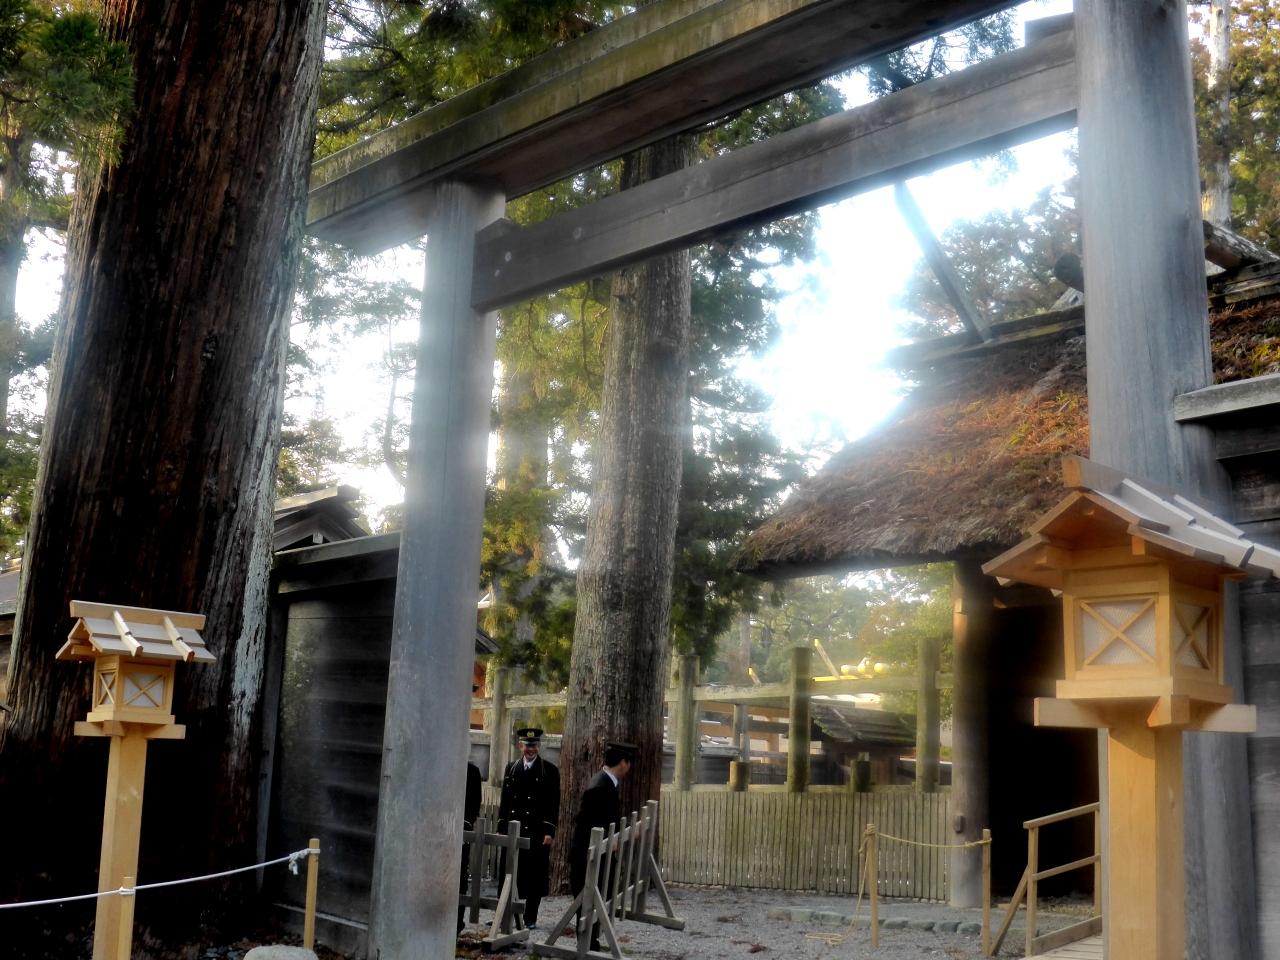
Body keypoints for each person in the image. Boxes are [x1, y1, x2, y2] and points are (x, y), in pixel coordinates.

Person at [569, 741, 637, 950]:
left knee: (600, 895)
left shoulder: (609, 783)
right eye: (629, 763)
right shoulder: (600, 786)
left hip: (600, 851)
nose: (629, 768)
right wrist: (609, 839)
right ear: (623, 763)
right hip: (588, 852)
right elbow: (588, 822)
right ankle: (586, 943)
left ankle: (591, 941)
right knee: (589, 898)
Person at [497, 726, 560, 929]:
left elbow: (553, 803)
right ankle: (503, 915)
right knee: (508, 873)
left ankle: (530, 918)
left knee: (534, 876)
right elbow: (505, 801)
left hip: (536, 830)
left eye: (534, 746)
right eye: (527, 745)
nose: (530, 749)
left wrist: (549, 831)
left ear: (539, 747)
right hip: (514, 829)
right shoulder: (511, 768)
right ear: (520, 746)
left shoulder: (549, 771)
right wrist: (501, 826)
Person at [457, 759, 482, 935]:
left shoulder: (471, 771)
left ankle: (457, 922)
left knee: (460, 876)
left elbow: (474, 802)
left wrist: (465, 825)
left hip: (460, 833)